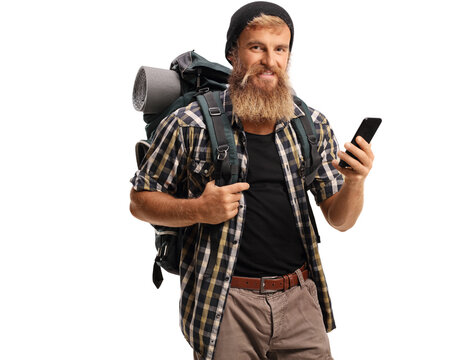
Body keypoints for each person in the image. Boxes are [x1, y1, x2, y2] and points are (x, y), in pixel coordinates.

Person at [130, 2, 375, 359]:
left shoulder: (310, 125)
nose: (270, 60)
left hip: (299, 298)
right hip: (225, 301)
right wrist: (200, 209)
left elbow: (340, 220)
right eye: (257, 47)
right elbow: (140, 201)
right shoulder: (190, 123)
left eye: (280, 49)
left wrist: (355, 181)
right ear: (233, 53)